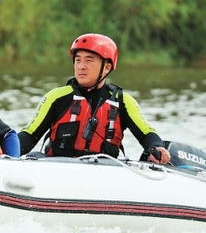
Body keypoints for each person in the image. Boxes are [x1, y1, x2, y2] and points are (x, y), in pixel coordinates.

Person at [17, 33, 172, 163]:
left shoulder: (123, 102)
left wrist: (156, 147)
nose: (81, 66)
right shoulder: (56, 97)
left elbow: (147, 134)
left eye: (89, 60)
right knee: (34, 158)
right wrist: (4, 147)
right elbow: (29, 136)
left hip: (103, 174)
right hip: (60, 169)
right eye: (78, 60)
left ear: (106, 67)